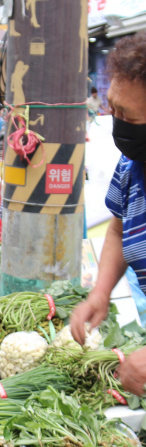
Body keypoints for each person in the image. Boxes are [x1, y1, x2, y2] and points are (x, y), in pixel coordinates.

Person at [71, 32, 146, 397]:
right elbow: (118, 230)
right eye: (112, 108)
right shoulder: (132, 167)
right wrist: (100, 293)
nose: (114, 121)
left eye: (126, 114)